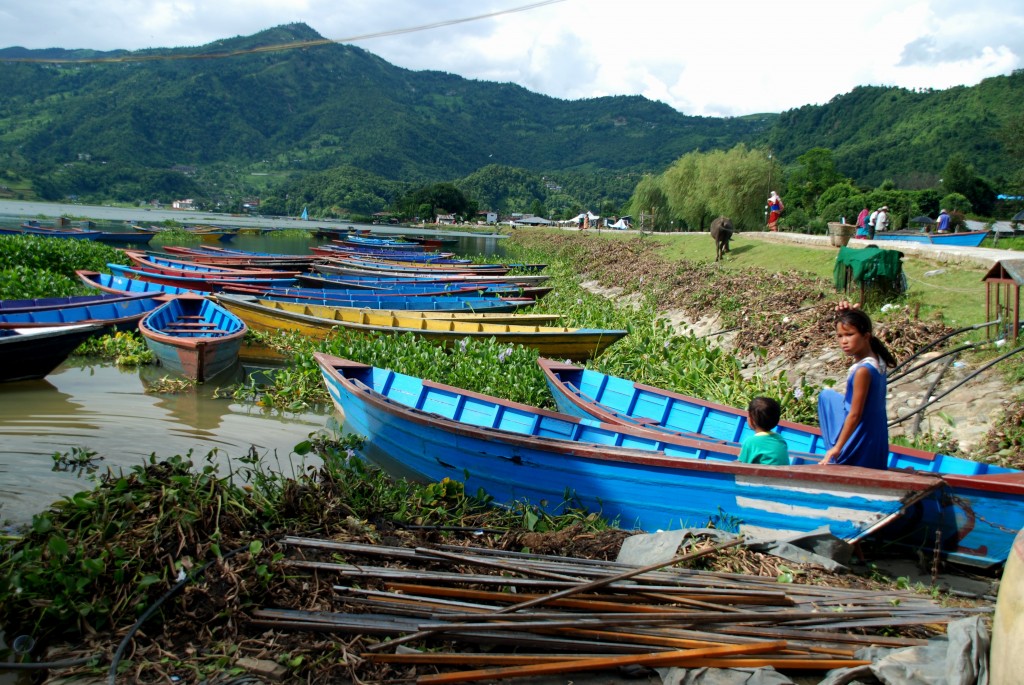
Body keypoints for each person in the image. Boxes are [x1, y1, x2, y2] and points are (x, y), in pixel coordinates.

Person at [817, 305, 897, 469]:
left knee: (825, 397)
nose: (844, 341)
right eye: (840, 336)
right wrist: (846, 313)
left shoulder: (863, 371)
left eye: (850, 335)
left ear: (866, 336)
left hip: (862, 435)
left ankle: (840, 447)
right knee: (828, 395)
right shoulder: (877, 358)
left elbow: (855, 414)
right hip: (877, 433)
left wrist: (837, 448)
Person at [738, 397, 790, 465]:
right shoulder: (780, 439)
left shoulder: (750, 442)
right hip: (781, 472)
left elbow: (741, 465)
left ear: (751, 420)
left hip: (761, 472)